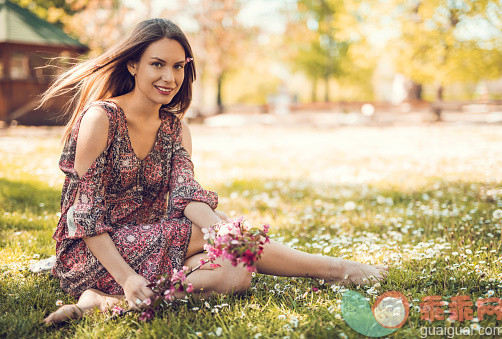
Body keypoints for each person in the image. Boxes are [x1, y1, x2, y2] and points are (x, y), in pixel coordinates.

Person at [40, 18, 389, 324]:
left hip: (155, 242)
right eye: (157, 64)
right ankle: (332, 269)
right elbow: (84, 215)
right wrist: (128, 277)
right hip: (96, 253)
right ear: (133, 65)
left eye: (178, 67)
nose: (169, 77)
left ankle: (106, 304)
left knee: (236, 272)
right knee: (214, 235)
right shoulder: (102, 119)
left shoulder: (174, 129)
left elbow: (186, 195)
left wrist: (222, 230)